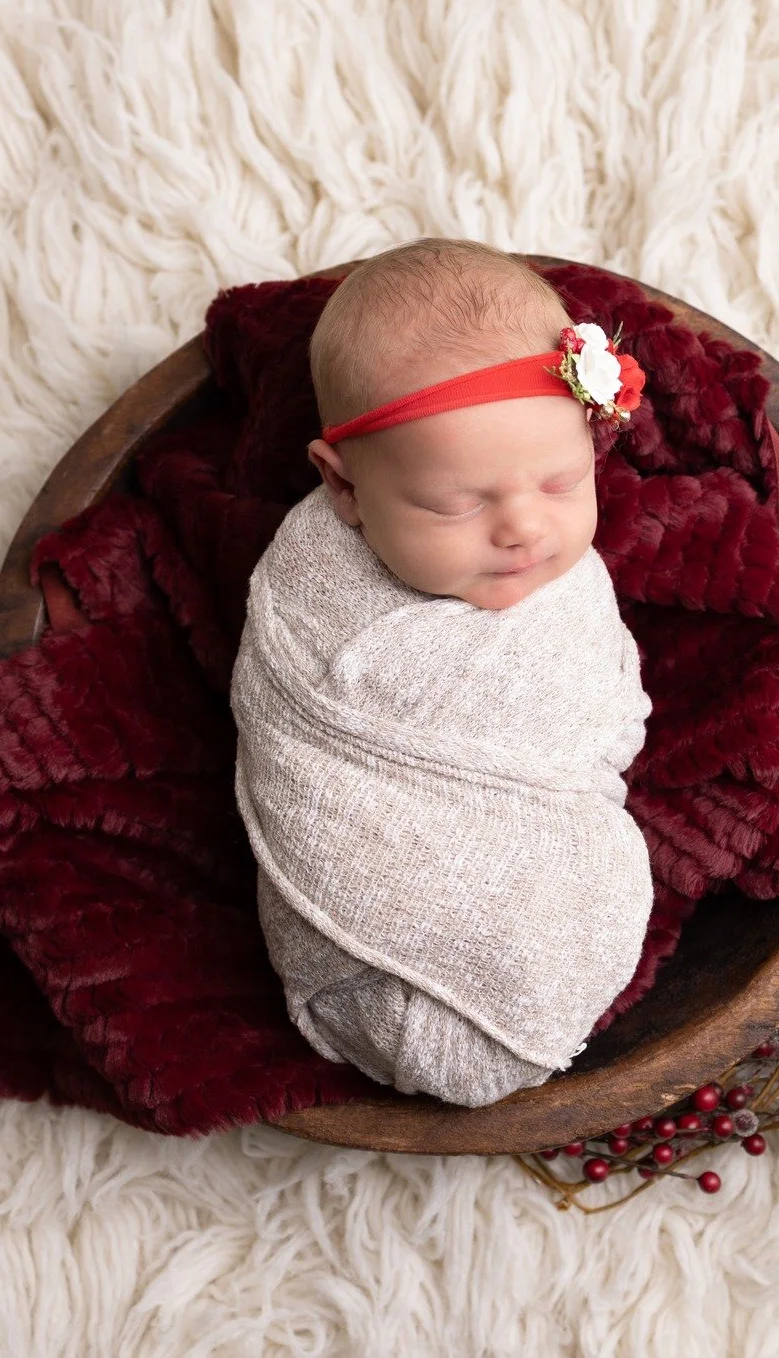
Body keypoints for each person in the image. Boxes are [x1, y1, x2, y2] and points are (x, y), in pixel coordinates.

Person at [229, 238, 656, 1107]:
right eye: (452, 505)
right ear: (343, 489)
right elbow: (289, 738)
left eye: (564, 481)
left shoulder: (566, 586)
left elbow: (608, 719)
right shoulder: (306, 588)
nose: (523, 531)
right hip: (365, 924)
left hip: (540, 882)